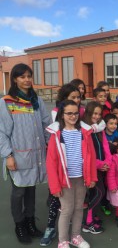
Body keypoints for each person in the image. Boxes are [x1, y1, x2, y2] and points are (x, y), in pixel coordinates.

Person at [0, 63, 50, 244]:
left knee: (31, 189)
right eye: (22, 77)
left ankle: (30, 221)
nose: (27, 80)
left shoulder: (37, 100)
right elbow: (2, 132)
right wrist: (8, 155)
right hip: (18, 155)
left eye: (29, 76)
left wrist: (51, 146)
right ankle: (19, 224)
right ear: (15, 79)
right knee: (19, 191)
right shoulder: (7, 102)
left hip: (36, 155)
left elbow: (46, 125)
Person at [46, 100, 97, 248]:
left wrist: (92, 177)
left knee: (79, 207)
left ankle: (76, 236)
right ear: (62, 114)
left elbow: (91, 156)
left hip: (81, 178)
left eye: (75, 113)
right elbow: (51, 162)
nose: (73, 116)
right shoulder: (56, 135)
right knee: (67, 209)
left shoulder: (84, 133)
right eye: (69, 113)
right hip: (64, 180)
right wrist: (54, 186)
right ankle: (63, 240)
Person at [82, 102, 112, 234]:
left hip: (101, 167)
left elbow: (105, 147)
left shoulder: (100, 129)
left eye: (99, 114)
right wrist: (100, 164)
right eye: (95, 113)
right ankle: (88, 223)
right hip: (92, 168)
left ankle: (92, 216)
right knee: (99, 193)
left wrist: (107, 162)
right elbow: (86, 154)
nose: (97, 116)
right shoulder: (84, 131)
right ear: (88, 113)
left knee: (97, 193)